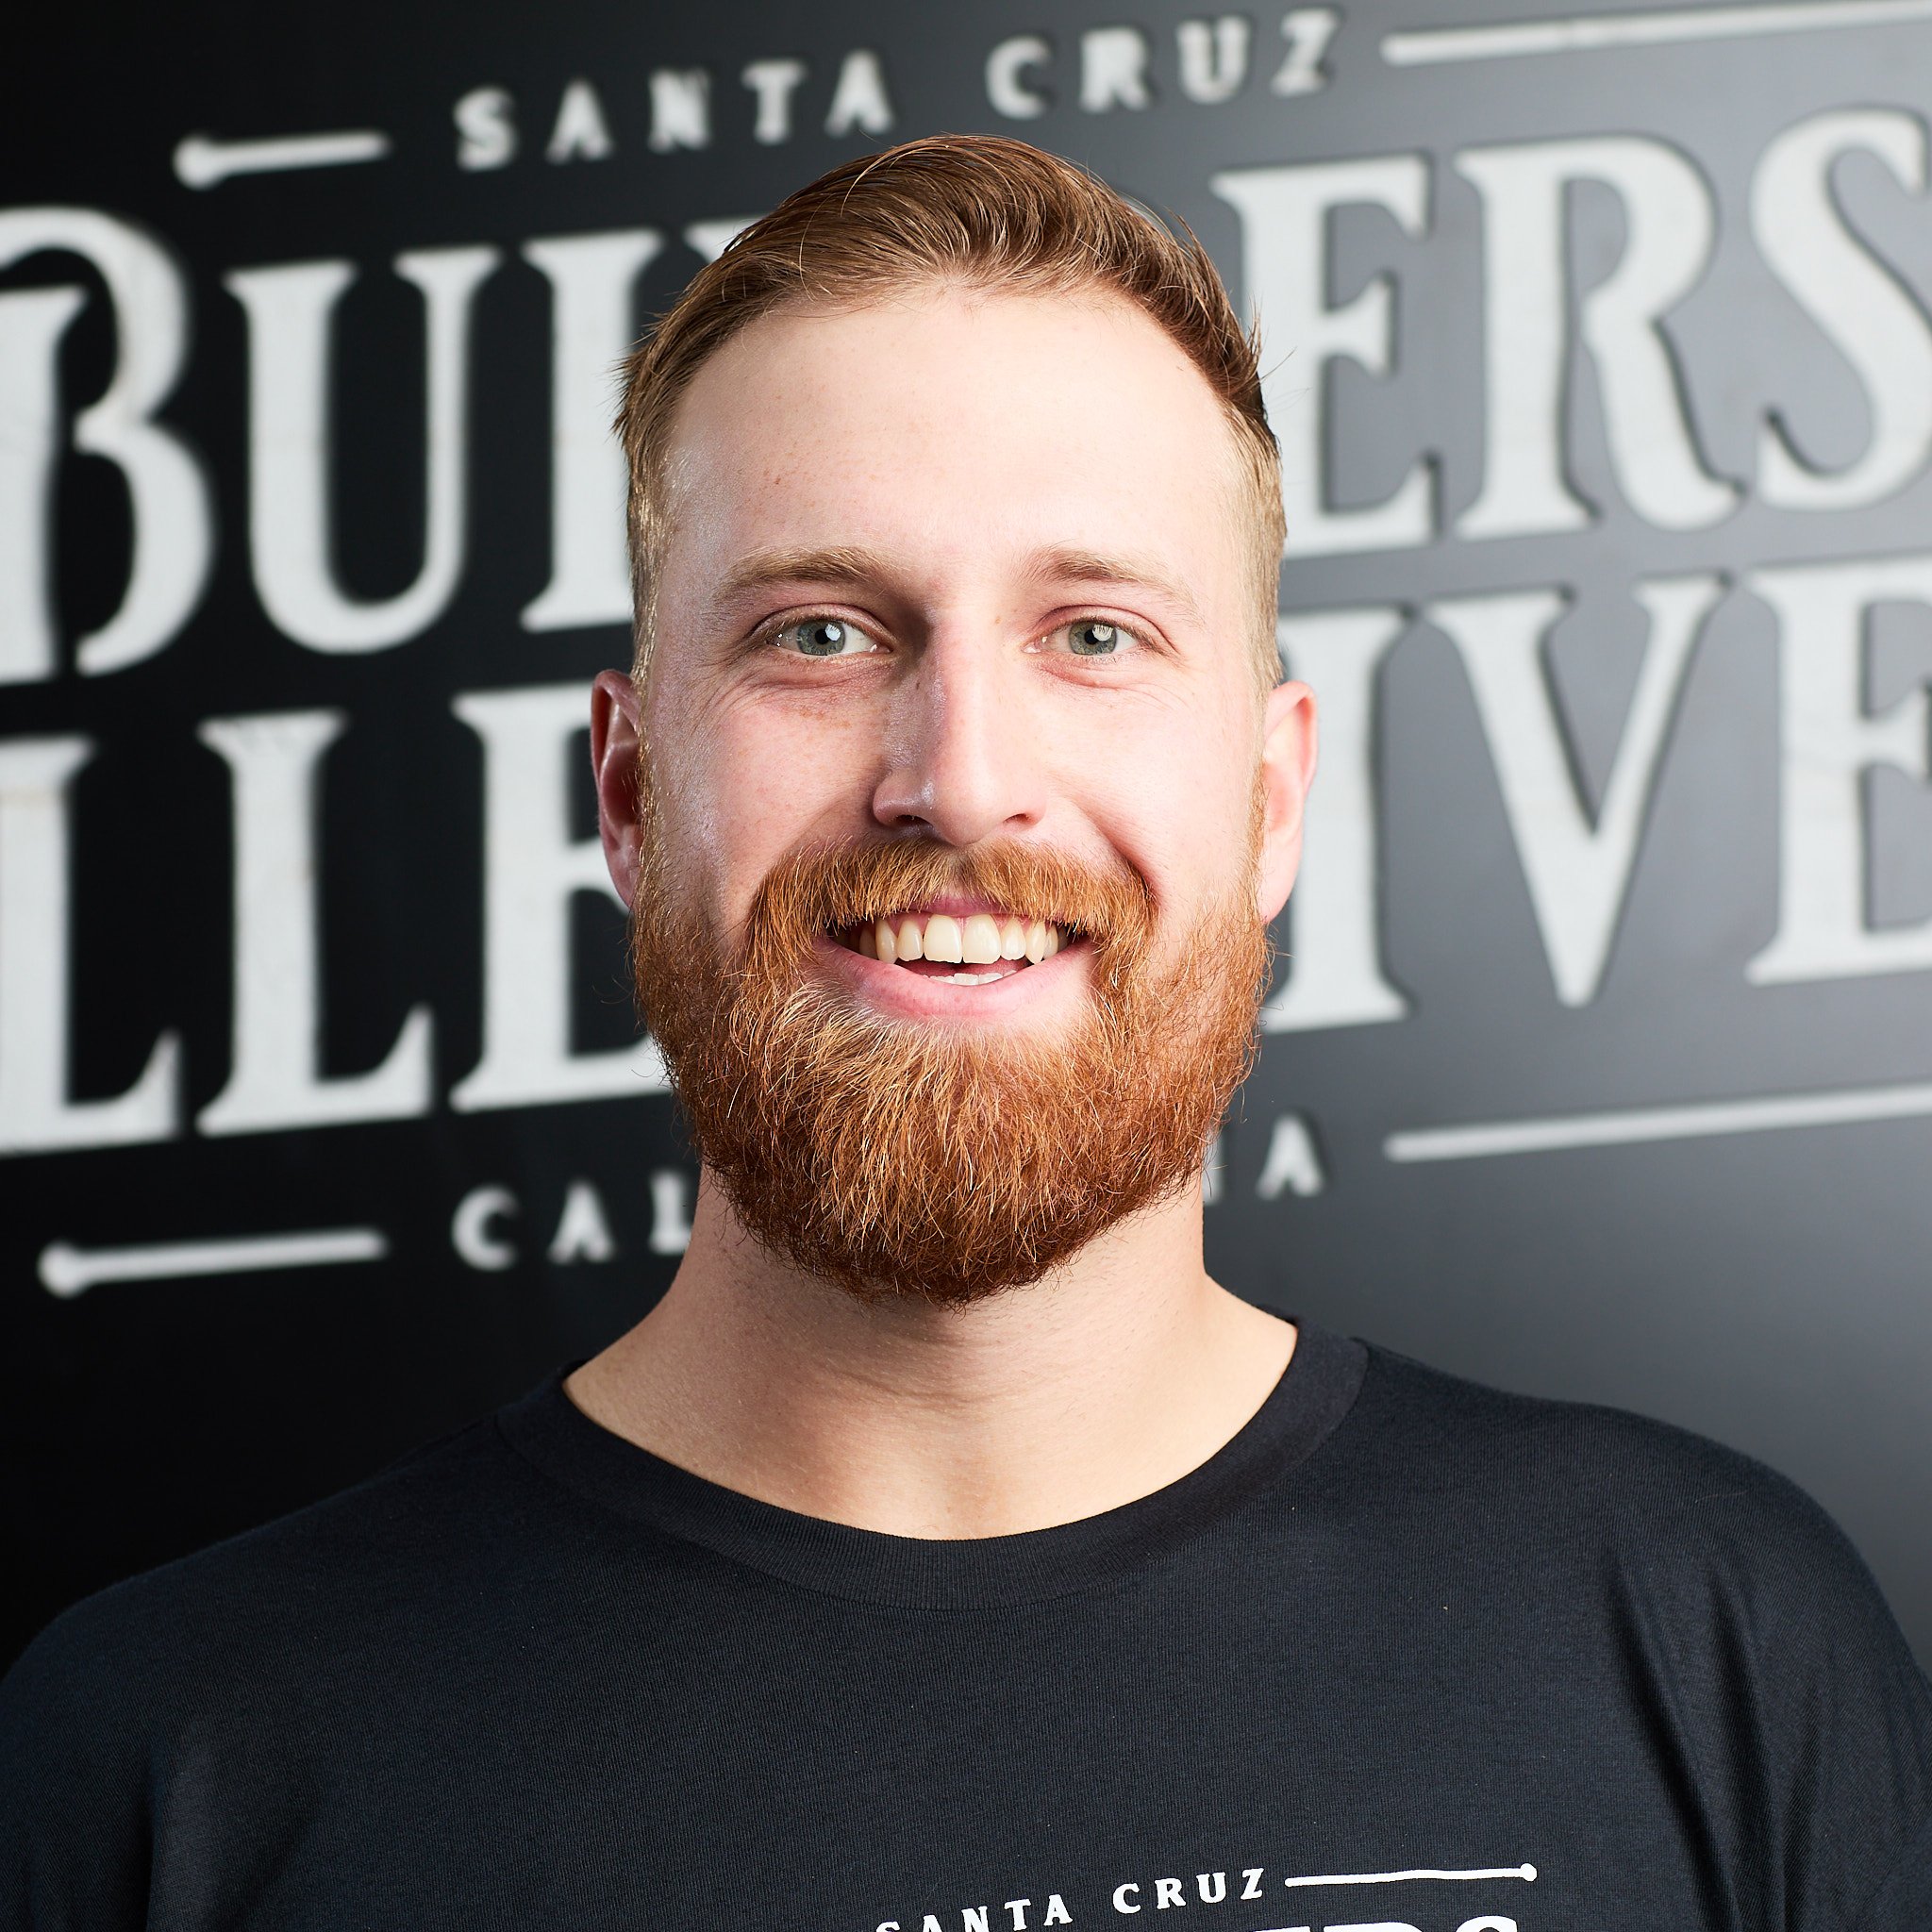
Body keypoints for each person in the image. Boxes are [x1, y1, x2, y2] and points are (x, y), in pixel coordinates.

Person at [3, 134, 1929, 1931]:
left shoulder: (1703, 1631)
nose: (959, 780)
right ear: (625, 787)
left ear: (1269, 804)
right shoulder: (164, 1756)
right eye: (820, 633)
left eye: (1093, 633)